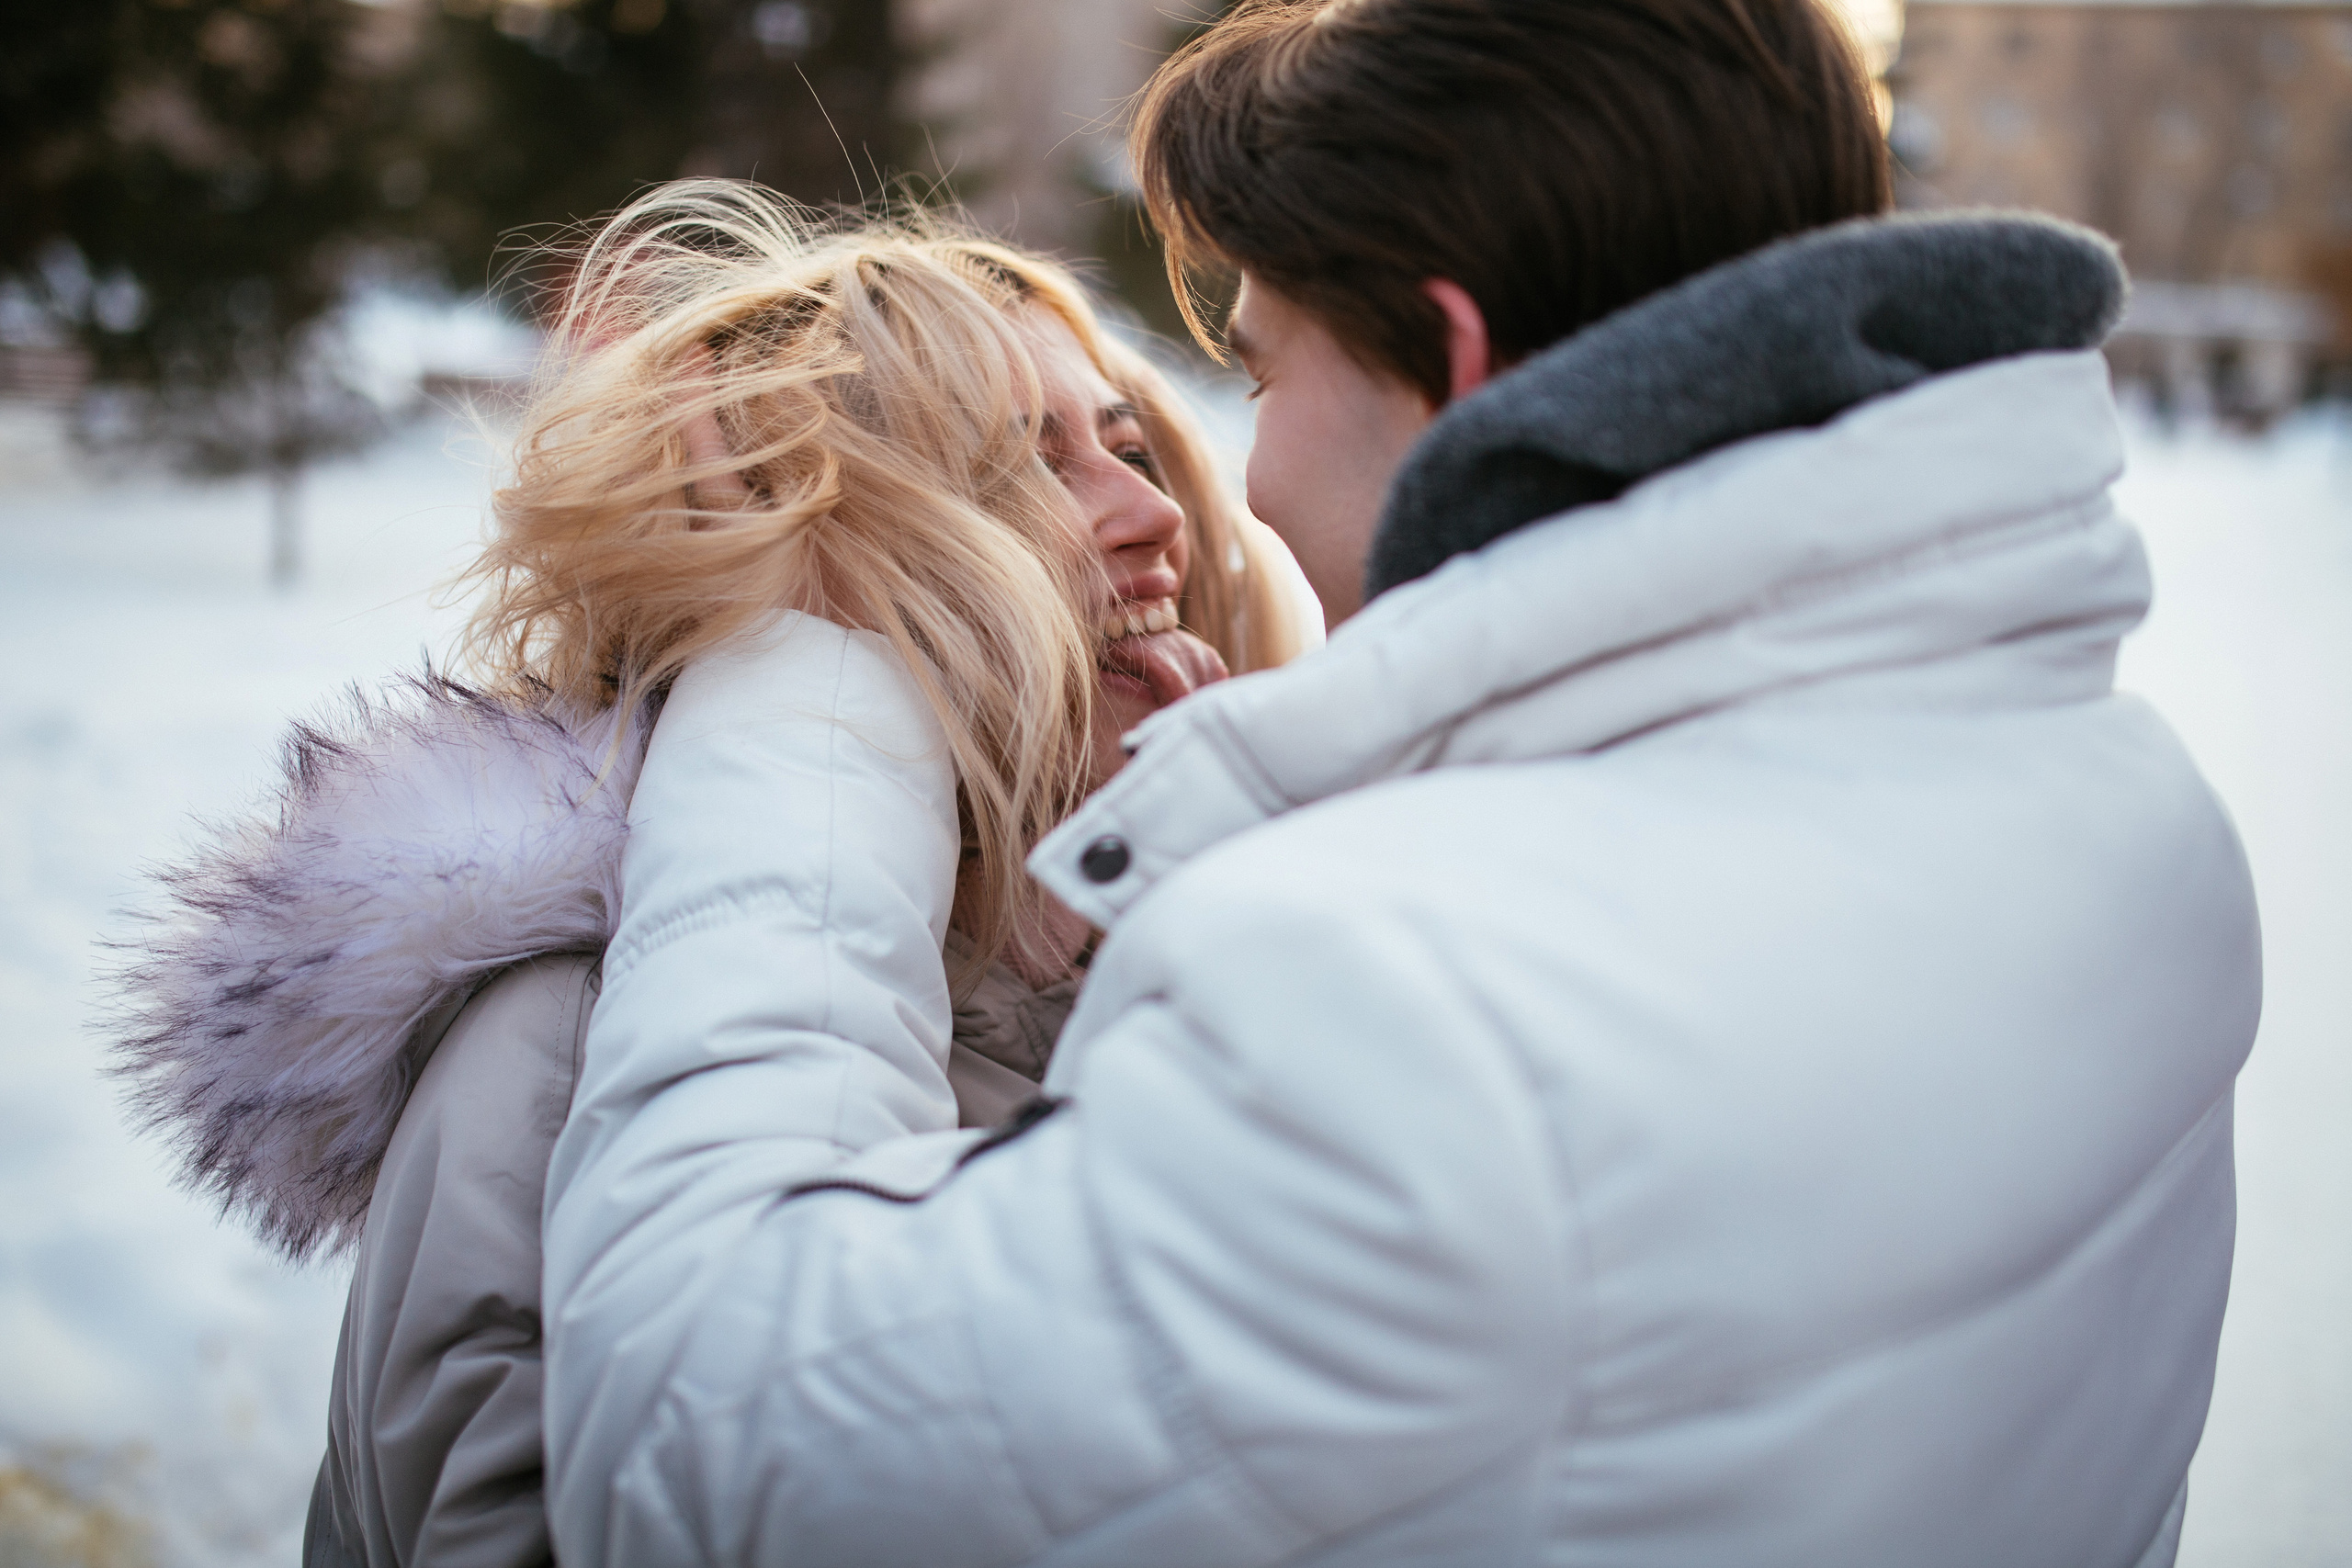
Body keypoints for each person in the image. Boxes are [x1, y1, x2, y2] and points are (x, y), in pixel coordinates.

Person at [537, 1, 2265, 1564]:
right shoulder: (2124, 808)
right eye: (1012, 469)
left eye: (1264, 368)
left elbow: (692, 1451)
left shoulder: (1403, 1006)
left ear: (1457, 365)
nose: (1230, 482)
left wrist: (796, 651)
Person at [105, 181, 1302, 1568]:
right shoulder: (556, 1041)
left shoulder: (1185, 960)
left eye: (1127, 443)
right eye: (1010, 470)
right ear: (816, 582)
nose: (1150, 511)